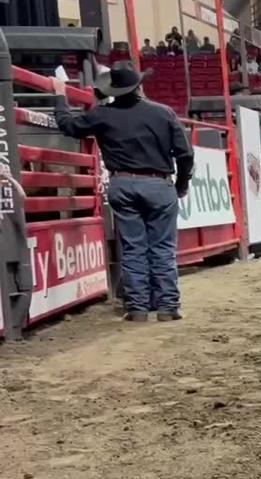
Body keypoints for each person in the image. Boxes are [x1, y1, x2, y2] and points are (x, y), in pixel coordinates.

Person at [53, 65, 193, 322]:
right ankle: (167, 306)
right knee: (162, 247)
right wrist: (181, 185)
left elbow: (68, 126)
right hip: (159, 183)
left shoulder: (102, 114)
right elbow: (185, 154)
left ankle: (138, 308)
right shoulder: (163, 113)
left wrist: (60, 95)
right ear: (138, 87)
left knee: (133, 247)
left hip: (122, 183)